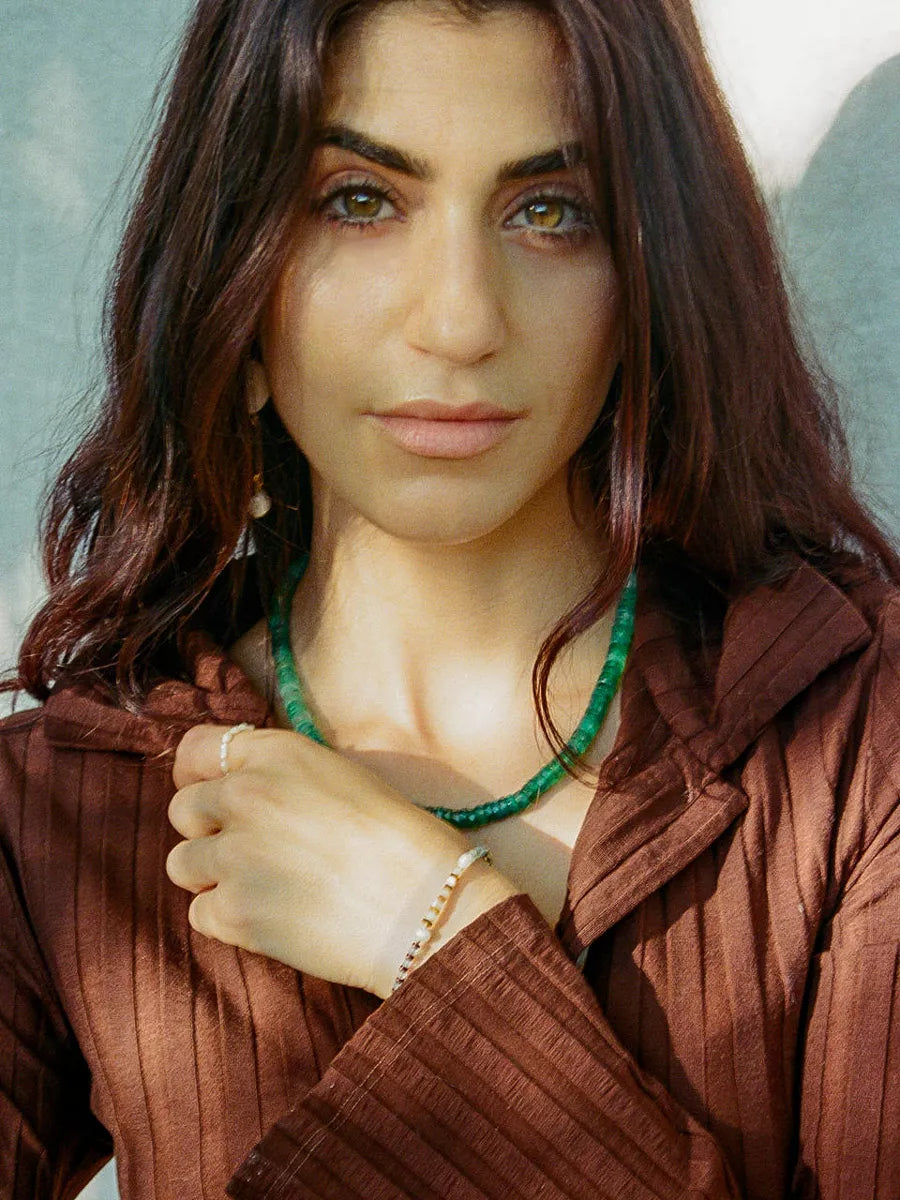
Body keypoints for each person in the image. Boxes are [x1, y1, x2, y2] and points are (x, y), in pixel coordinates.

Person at [1, 0, 898, 1196]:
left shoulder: (859, 742)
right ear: (236, 270)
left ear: (650, 278)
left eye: (549, 212)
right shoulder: (60, 814)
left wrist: (435, 941)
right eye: (359, 201)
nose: (461, 321)